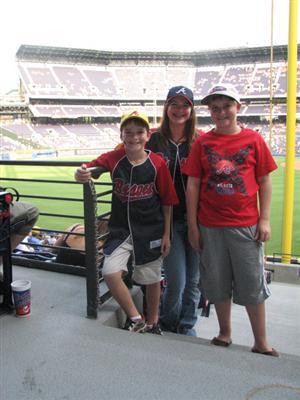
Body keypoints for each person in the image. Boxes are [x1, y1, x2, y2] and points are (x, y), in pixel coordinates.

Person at [183, 84, 279, 356]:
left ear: (238, 107)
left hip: (245, 226)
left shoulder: (254, 140)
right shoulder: (202, 142)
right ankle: (224, 333)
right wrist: (193, 226)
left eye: (226, 106)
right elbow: (193, 185)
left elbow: (264, 181)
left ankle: (260, 342)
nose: (221, 112)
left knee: (252, 284)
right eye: (215, 108)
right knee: (216, 282)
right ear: (210, 112)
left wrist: (265, 219)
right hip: (210, 226)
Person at [75, 111, 178, 334]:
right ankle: (135, 318)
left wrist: (167, 235)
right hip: (121, 231)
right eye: (128, 132)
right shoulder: (114, 158)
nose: (134, 137)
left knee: (151, 279)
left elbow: (168, 202)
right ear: (121, 135)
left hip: (151, 230)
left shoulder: (157, 163)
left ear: (148, 135)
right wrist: (81, 174)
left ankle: (153, 322)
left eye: (139, 132)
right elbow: (88, 169)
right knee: (111, 272)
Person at [146, 86, 203, 336]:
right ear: (166, 107)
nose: (179, 110)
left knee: (193, 281)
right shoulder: (153, 139)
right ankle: (169, 323)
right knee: (177, 280)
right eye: (174, 104)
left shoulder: (200, 140)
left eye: (185, 105)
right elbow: (122, 155)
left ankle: (187, 325)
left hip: (198, 220)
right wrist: (91, 169)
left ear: (191, 110)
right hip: (167, 222)